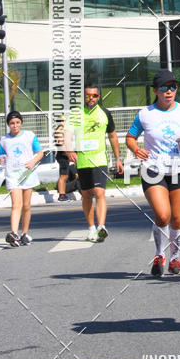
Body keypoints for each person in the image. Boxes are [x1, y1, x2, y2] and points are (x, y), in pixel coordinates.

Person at [126, 69, 180, 276]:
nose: (169, 91)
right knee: (162, 214)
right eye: (164, 88)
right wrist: (136, 149)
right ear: (155, 90)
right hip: (153, 170)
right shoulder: (145, 114)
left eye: (173, 87)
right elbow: (130, 137)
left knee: (177, 218)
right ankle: (160, 254)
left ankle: (175, 260)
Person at [66, 84, 123, 242]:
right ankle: (91, 227)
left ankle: (101, 226)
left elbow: (112, 136)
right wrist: (69, 150)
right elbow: (67, 133)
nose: (91, 98)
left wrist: (118, 158)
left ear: (99, 97)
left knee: (99, 192)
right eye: (88, 95)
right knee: (86, 194)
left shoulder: (105, 113)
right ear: (83, 97)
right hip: (82, 160)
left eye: (94, 95)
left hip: (99, 159)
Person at [0, 111, 44, 246]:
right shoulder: (4, 140)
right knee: (16, 205)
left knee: (26, 206)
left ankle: (24, 233)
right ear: (8, 125)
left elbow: (40, 152)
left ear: (21, 123)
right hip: (13, 176)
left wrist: (32, 162)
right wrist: (1, 159)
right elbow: (1, 156)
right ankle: (14, 233)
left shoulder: (29, 136)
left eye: (17, 122)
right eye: (12, 123)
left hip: (27, 175)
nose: (15, 125)